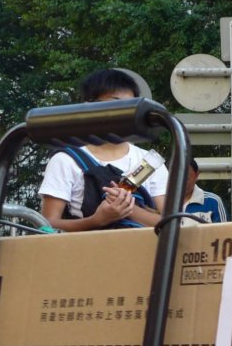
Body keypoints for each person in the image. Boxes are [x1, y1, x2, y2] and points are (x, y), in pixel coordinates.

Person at [38, 69, 169, 232]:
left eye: (130, 106)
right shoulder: (65, 160)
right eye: (114, 104)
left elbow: (171, 222)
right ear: (89, 106)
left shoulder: (149, 162)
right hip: (86, 248)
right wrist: (97, 220)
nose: (123, 113)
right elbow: (47, 225)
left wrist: (127, 209)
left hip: (144, 248)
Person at [180, 158, 229, 223]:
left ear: (196, 176)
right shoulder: (166, 203)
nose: (181, 181)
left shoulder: (214, 202)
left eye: (186, 178)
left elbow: (225, 229)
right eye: (176, 177)